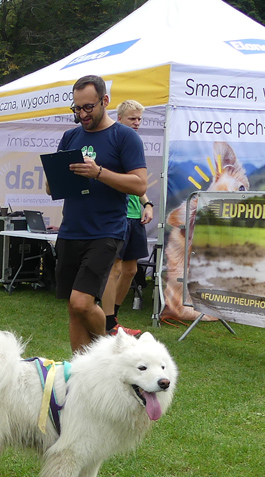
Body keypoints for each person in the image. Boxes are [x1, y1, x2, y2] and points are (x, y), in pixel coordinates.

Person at [49, 75, 147, 352]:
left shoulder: (124, 136)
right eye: (77, 108)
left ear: (105, 101)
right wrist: (53, 179)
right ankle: (82, 372)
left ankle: (114, 348)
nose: (82, 114)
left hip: (106, 231)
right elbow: (53, 187)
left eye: (88, 107)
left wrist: (99, 172)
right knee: (74, 308)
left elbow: (139, 184)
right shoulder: (70, 136)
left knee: (82, 302)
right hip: (71, 230)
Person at [101, 100, 153, 336]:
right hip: (118, 216)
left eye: (140, 119)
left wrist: (147, 204)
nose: (137, 123)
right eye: (133, 118)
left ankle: (113, 317)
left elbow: (137, 182)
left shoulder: (133, 143)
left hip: (134, 217)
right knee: (114, 268)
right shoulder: (116, 142)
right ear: (119, 118)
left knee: (131, 270)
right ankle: (108, 322)